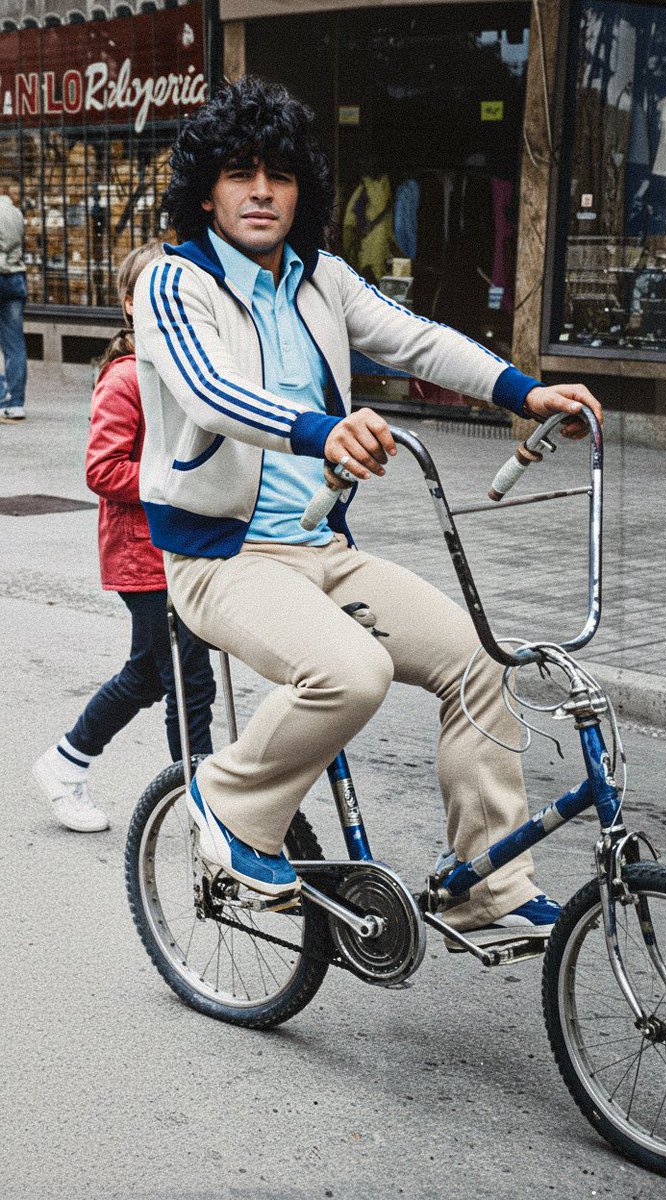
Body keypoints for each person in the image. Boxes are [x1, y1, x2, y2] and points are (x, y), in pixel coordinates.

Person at [133, 77, 603, 948]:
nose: (262, 192)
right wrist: (324, 430)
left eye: (279, 175)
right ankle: (229, 804)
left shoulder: (323, 278)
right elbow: (209, 392)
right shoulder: (174, 282)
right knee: (353, 672)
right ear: (206, 191)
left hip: (323, 546)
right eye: (240, 174)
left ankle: (487, 885)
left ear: (301, 189)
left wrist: (524, 392)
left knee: (482, 660)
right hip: (222, 560)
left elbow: (415, 337)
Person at [33, 240, 216, 833]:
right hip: (145, 555)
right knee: (188, 683)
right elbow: (103, 469)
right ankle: (205, 808)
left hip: (180, 547)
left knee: (152, 674)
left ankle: (65, 764)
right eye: (153, 290)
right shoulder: (125, 377)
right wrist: (180, 480)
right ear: (130, 304)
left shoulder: (183, 369)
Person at [0, 188, 27, 422]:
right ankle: (15, 402)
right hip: (15, 277)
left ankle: (2, 395)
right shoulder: (15, 213)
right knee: (14, 343)